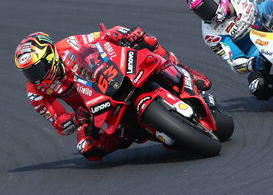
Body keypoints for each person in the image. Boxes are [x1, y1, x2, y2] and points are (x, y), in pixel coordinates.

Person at [14, 24, 211, 161]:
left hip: (110, 76)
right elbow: (59, 122)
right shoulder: (36, 92)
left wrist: (123, 35)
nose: (35, 77)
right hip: (92, 110)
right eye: (28, 73)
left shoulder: (69, 45)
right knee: (88, 149)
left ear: (50, 56)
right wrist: (75, 119)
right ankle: (129, 134)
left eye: (36, 69)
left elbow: (102, 36)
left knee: (144, 41)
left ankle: (186, 71)